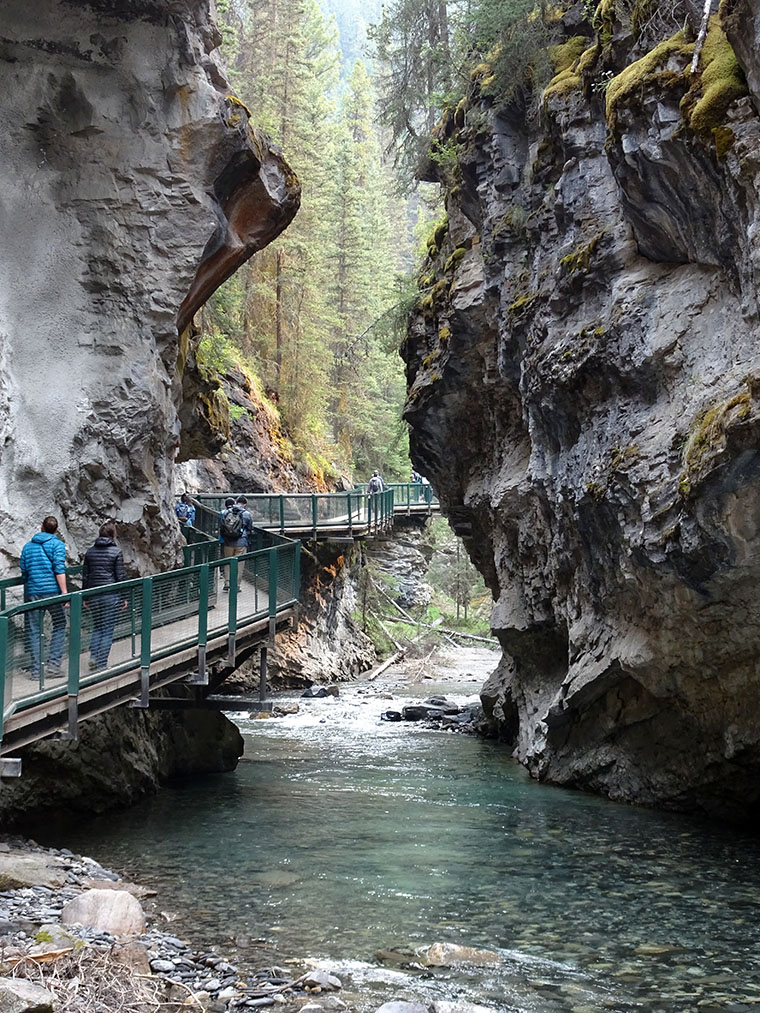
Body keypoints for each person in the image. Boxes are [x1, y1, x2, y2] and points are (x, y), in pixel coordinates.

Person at [19, 516, 68, 679]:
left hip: (33, 592)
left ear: (41, 527)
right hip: (53, 592)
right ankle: (53, 665)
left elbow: (24, 571)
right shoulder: (58, 545)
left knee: (34, 629)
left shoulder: (27, 547)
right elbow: (59, 569)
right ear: (56, 529)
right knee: (60, 623)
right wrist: (64, 593)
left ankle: (36, 671)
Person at [82, 522, 126, 672]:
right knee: (107, 630)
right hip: (110, 595)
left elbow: (86, 577)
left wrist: (85, 597)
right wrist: (124, 597)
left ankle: (94, 656)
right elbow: (120, 577)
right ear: (112, 535)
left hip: (93, 594)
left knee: (97, 627)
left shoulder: (90, 552)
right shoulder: (116, 552)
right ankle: (101, 664)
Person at [219, 496, 252, 591]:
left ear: (236, 502)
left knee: (228, 562)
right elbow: (250, 528)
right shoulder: (246, 514)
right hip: (241, 542)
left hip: (228, 542)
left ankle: (227, 583)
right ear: (245, 504)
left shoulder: (226, 512)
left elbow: (222, 526)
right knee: (239, 564)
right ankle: (236, 586)